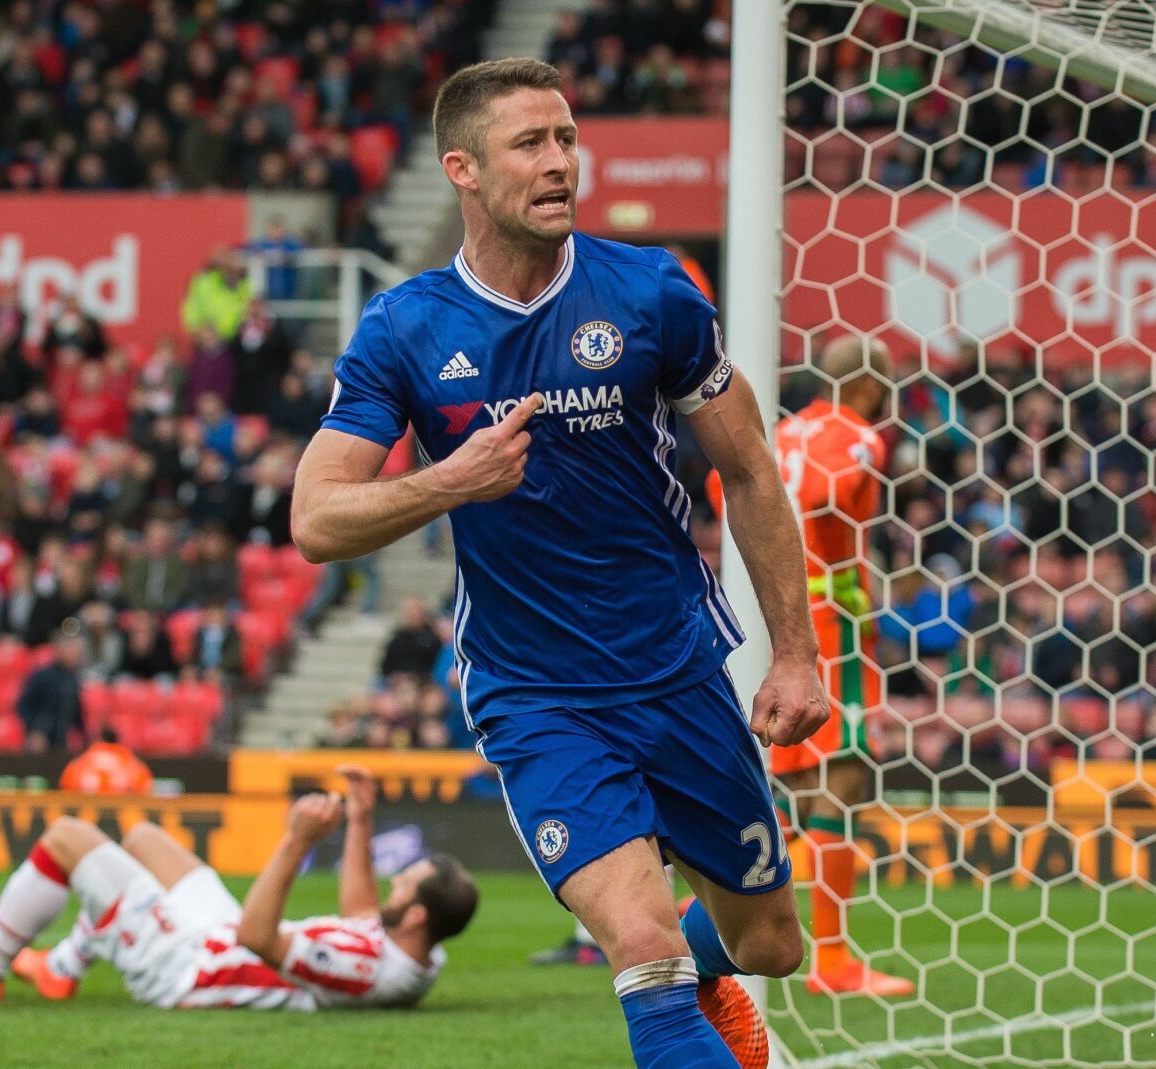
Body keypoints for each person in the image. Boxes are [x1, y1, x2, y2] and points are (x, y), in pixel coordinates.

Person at [290, 58, 830, 1069]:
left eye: (567, 139)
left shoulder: (651, 291)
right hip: (538, 694)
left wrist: (794, 655)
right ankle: (675, 992)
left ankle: (709, 977)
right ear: (461, 168)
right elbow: (315, 518)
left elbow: (751, 470)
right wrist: (450, 481)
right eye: (529, 144)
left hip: (676, 668)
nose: (559, 163)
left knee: (769, 944)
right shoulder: (405, 327)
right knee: (644, 946)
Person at [0, 766, 476, 1011]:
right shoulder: (418, 952)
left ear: (417, 916)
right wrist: (360, 817)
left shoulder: (364, 968)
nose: (392, 884)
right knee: (143, 839)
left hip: (191, 969)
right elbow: (363, 912)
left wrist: (295, 842)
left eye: (403, 885)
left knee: (68, 837)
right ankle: (62, 965)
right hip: (216, 942)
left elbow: (257, 936)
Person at [706, 337, 913, 997]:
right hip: (827, 626)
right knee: (844, 777)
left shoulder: (788, 431)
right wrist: (828, 559)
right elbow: (827, 489)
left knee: (795, 791)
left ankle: (727, 922)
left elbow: (721, 482)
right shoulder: (858, 437)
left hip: (766, 613)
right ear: (873, 387)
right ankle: (833, 959)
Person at [58, 729, 153, 794]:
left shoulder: (79, 762)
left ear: (99, 739)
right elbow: (146, 790)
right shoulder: (135, 765)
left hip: (87, 814)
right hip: (123, 815)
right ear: (117, 741)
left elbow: (65, 788)